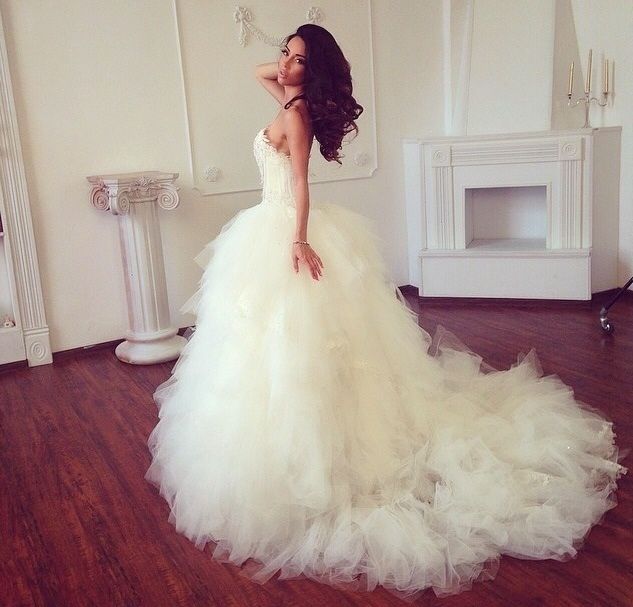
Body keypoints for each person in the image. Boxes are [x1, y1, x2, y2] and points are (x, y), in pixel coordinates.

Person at [144, 24, 627, 601]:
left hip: (284, 227)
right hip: (266, 228)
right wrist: (294, 64)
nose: (283, 65)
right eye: (286, 55)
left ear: (312, 72)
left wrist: (298, 241)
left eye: (298, 60)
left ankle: (331, 457)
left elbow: (300, 182)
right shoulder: (292, 101)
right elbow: (259, 73)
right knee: (264, 345)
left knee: (297, 342)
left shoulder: (294, 116)